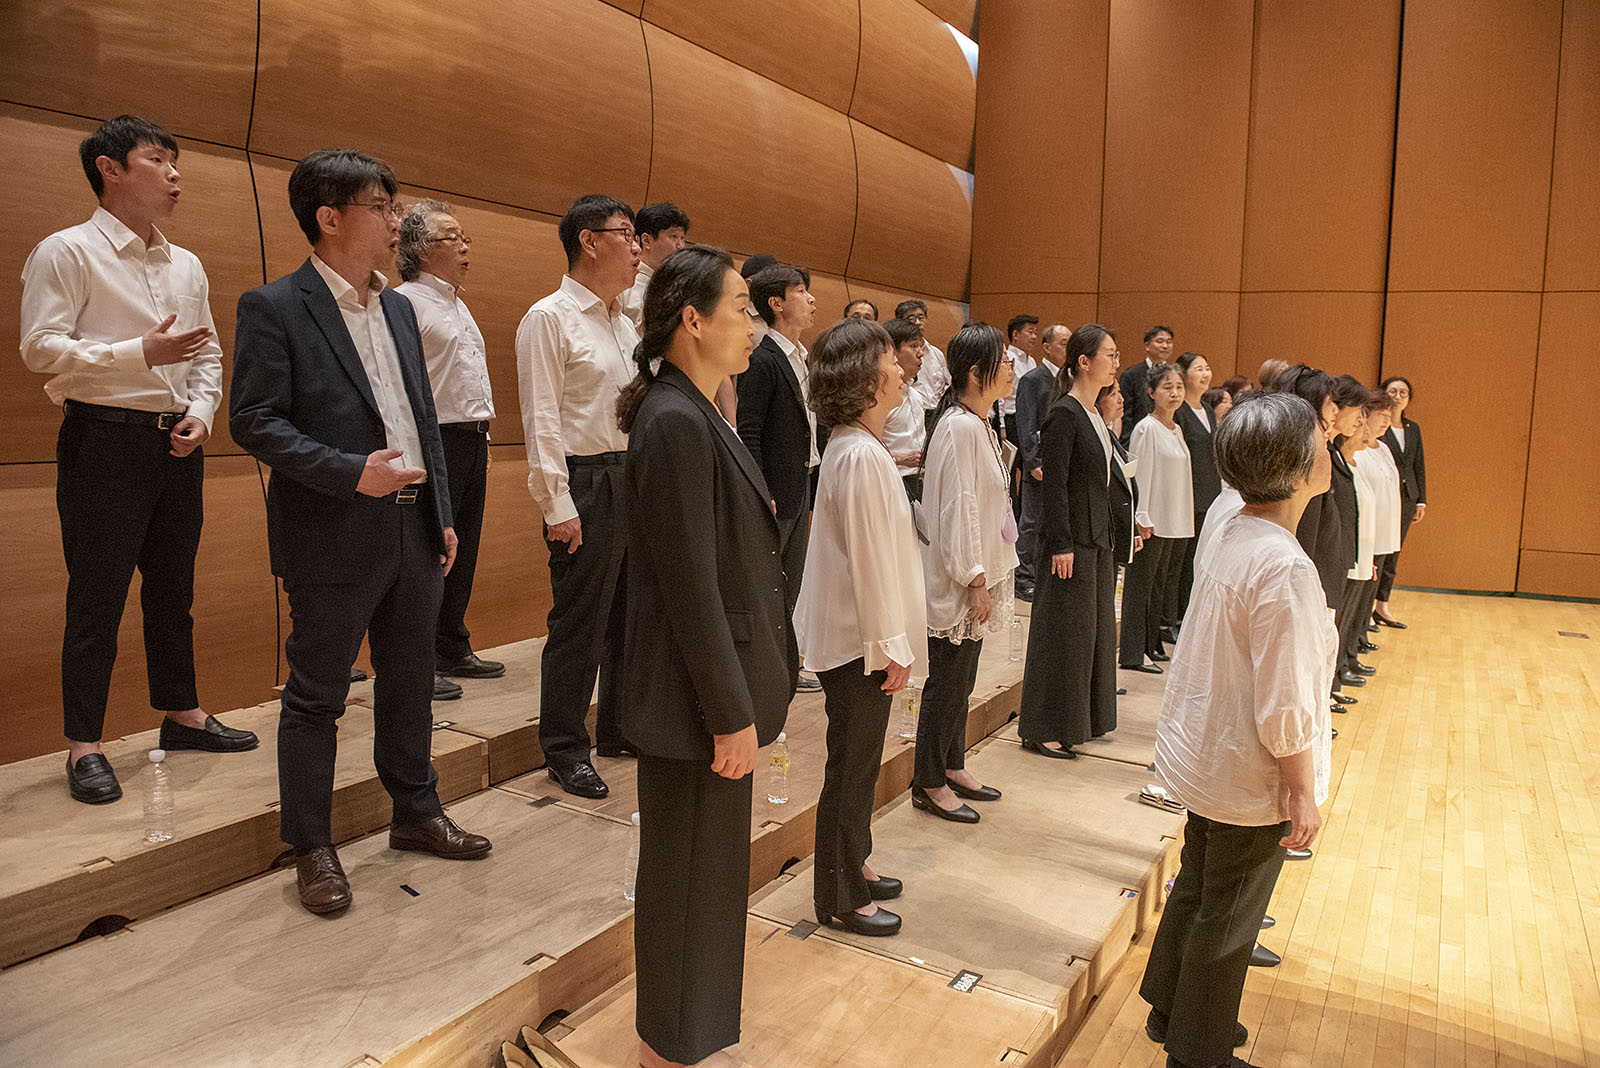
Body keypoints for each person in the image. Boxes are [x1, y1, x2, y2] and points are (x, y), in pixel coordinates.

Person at [231, 148, 491, 916]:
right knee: (318, 695)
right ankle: (311, 845)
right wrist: (350, 471)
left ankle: (416, 811)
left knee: (410, 680)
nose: (396, 220)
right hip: (332, 526)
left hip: (413, 524)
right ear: (330, 217)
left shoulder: (401, 308)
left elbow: (422, 417)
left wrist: (442, 512)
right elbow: (253, 421)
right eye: (382, 206)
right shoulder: (275, 306)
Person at [21, 114, 257, 804]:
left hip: (175, 442)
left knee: (173, 588)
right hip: (102, 440)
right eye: (158, 159)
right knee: (97, 594)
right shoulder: (67, 251)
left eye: (176, 161)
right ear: (110, 169)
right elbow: (39, 348)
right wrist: (137, 354)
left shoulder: (186, 263)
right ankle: (84, 745)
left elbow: (208, 354)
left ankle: (182, 714)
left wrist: (202, 411)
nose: (175, 174)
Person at [614, 245, 795, 1068]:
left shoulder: (697, 410)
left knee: (710, 882)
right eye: (741, 308)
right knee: (686, 884)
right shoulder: (674, 421)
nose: (752, 325)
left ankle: (685, 1045)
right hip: (695, 707)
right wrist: (729, 714)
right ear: (692, 319)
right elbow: (689, 587)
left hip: (716, 699)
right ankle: (666, 1051)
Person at [1139, 391, 1334, 1068]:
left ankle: (1173, 1007)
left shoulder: (1233, 528)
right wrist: (1301, 790)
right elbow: (1286, 700)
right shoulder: (1283, 565)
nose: (1329, 447)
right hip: (1247, 771)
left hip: (1211, 754)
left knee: (1199, 886)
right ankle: (1200, 1050)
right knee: (1229, 915)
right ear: (1297, 466)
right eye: (1321, 439)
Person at [794, 318, 927, 938]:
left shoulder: (859, 448)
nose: (900, 368)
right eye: (890, 360)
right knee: (851, 768)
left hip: (859, 640)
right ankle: (840, 894)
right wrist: (891, 646)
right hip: (859, 644)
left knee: (862, 762)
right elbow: (871, 564)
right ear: (866, 378)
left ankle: (857, 860)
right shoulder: (861, 456)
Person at [516, 193, 641, 799]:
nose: (637, 248)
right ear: (589, 241)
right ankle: (565, 748)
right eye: (627, 235)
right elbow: (541, 417)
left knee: (628, 616)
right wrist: (556, 504)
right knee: (579, 624)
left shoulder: (625, 323)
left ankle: (618, 729)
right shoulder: (549, 317)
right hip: (584, 481)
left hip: (631, 477)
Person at [394, 200, 503, 699]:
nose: (464, 247)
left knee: (467, 544)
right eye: (451, 238)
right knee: (431, 551)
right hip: (433, 439)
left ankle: (451, 644)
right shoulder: (406, 303)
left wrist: (482, 435)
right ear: (420, 248)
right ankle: (417, 659)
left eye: (465, 238)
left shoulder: (459, 303)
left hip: (471, 437)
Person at [911, 323, 1016, 824]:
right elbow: (959, 508)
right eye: (1004, 360)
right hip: (959, 579)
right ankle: (928, 780)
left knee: (964, 679)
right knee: (947, 682)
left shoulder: (978, 422)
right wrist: (974, 579)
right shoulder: (958, 427)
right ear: (976, 372)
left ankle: (952, 764)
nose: (1011, 368)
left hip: (978, 573)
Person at [1017, 324, 1127, 758]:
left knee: (1092, 635)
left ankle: (1083, 720)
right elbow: (1054, 486)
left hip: (1096, 540)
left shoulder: (1095, 414)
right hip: (1070, 543)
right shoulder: (1064, 414)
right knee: (1063, 634)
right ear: (1084, 362)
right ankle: (1043, 727)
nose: (1116, 362)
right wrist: (1061, 543)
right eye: (1109, 354)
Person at [1119, 364, 1191, 674]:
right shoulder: (1146, 428)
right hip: (1152, 520)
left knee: (1158, 587)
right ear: (1151, 392)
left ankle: (1151, 644)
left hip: (1173, 519)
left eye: (1178, 387)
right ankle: (1133, 653)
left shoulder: (1176, 429)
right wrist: (1141, 515)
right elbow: (1140, 475)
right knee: (1141, 587)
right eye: (1167, 387)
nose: (1174, 393)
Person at [1013, 323, 1068, 601]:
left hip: (1060, 461)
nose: (1068, 349)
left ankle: (1042, 572)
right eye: (1063, 343)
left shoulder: (1068, 379)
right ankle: (1024, 577)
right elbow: (1025, 423)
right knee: (1032, 520)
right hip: (1039, 462)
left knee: (1052, 519)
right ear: (1047, 347)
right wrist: (1032, 461)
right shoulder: (1033, 379)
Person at [1169, 351, 1219, 634]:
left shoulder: (1208, 410)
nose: (1205, 373)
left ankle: (1190, 616)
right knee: (1182, 563)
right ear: (1183, 374)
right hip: (1187, 498)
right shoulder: (1179, 413)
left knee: (1199, 561)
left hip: (1208, 496)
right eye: (1199, 368)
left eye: (1207, 368)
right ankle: (1174, 618)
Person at [1374, 375, 1426, 627]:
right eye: (1393, 391)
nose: (1397, 397)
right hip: (1384, 497)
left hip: (1406, 498)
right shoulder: (1378, 426)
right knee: (1378, 554)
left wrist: (1421, 500)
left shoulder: (1412, 428)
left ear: (1409, 399)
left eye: (1403, 393)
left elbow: (1419, 464)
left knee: (1394, 554)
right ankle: (1366, 607)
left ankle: (1382, 605)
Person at [1353, 392, 1401, 660]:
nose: (1386, 421)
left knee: (1370, 591)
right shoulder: (1360, 453)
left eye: (1389, 416)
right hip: (1369, 534)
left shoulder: (1383, 448)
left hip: (1385, 531)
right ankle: (1354, 639)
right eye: (1381, 415)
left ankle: (1361, 634)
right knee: (1360, 592)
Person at [619, 202, 691, 330]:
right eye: (674, 236)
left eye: (682, 238)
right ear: (646, 240)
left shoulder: (677, 286)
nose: (680, 246)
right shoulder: (622, 282)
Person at [881, 316, 929, 498]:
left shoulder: (915, 395)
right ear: (892, 352)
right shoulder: (880, 398)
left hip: (919, 481)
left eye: (920, 346)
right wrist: (900, 459)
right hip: (891, 481)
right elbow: (864, 447)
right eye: (913, 346)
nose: (920, 353)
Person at [1117, 324, 1174, 446]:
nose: (1165, 346)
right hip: (1139, 439)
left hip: (1167, 439)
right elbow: (1126, 414)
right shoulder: (1131, 375)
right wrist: (1127, 445)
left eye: (1169, 342)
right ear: (1147, 345)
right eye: (1160, 341)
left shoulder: (1175, 375)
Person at [895, 299, 950, 409]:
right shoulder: (899, 352)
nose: (917, 322)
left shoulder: (937, 353)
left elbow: (946, 385)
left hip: (936, 411)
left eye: (921, 318)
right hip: (910, 409)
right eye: (911, 319)